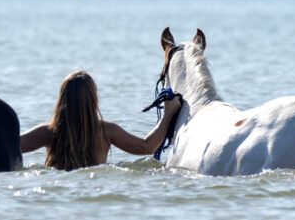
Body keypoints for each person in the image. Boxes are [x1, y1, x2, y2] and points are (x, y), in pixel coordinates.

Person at [20, 70, 182, 170]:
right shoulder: (106, 131)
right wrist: (168, 113)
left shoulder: (49, 132)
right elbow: (147, 147)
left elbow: (12, 144)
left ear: (62, 99)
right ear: (93, 99)